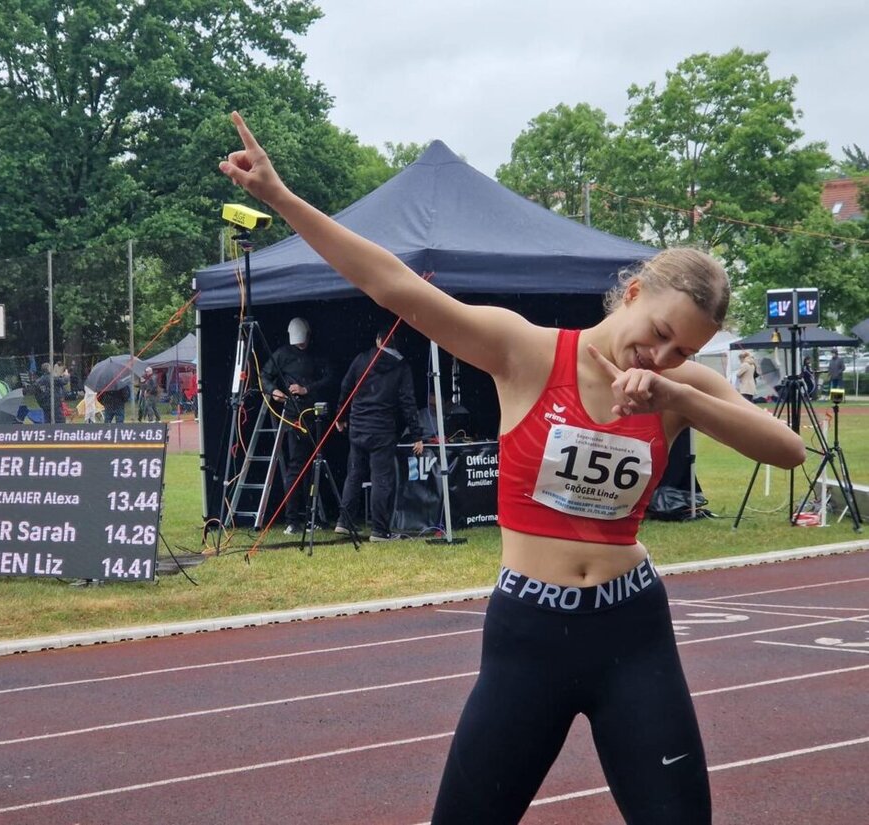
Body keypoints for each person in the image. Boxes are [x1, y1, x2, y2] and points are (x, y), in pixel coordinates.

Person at [220, 111, 806, 824]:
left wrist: (677, 392)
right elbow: (395, 286)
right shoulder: (526, 352)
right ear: (631, 294)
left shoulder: (676, 389)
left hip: (632, 630)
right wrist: (280, 196)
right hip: (532, 632)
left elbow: (787, 449)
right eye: (658, 334)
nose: (660, 357)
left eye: (682, 350)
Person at [334, 329, 424, 541]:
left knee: (354, 475)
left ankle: (344, 522)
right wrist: (416, 434)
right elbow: (408, 403)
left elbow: (346, 387)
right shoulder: (401, 367)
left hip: (357, 427)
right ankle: (379, 530)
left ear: (378, 340)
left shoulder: (361, 359)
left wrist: (340, 415)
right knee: (381, 480)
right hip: (382, 431)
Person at [260, 316, 333, 534]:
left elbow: (331, 377)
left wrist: (307, 389)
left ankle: (312, 516)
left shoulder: (317, 355)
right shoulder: (282, 354)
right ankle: (293, 519)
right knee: (296, 467)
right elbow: (264, 375)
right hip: (294, 417)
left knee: (314, 466)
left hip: (314, 416)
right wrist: (274, 391)